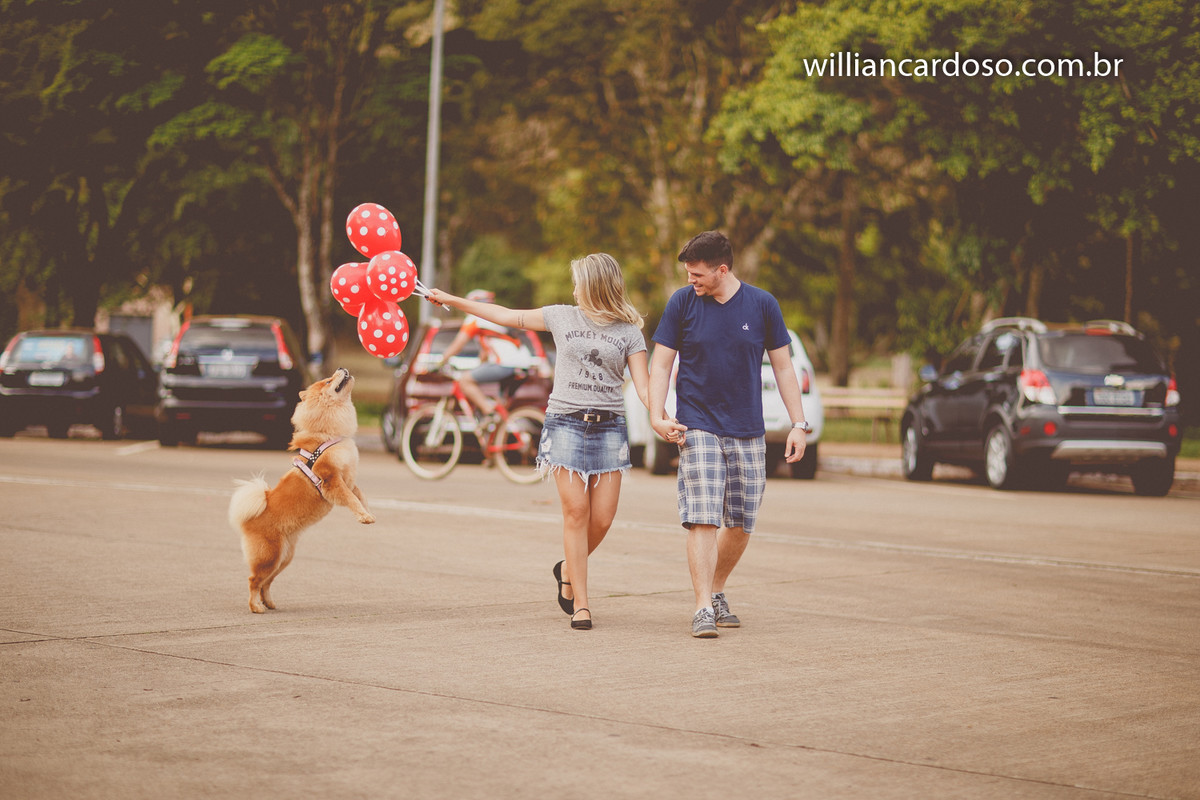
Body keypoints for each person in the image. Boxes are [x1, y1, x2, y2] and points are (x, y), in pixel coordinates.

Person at [427, 254, 650, 631]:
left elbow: (643, 385)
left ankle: (566, 567)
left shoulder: (629, 330)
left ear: (595, 285)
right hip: (565, 422)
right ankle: (582, 602)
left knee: (603, 519)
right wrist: (451, 299)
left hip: (609, 427)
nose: (574, 289)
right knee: (576, 513)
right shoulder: (562, 315)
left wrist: (659, 416)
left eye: (579, 282)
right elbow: (504, 314)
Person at [648, 231, 810, 639]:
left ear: (723, 269)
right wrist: (657, 414)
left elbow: (785, 368)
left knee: (739, 522)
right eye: (688, 273)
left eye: (699, 274)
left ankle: (716, 589)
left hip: (747, 429)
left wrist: (798, 424)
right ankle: (702, 606)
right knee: (702, 515)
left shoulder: (762, 305)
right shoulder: (682, 303)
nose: (691, 280)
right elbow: (661, 365)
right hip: (696, 423)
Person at [432, 289, 536, 421]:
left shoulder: (475, 319)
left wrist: (440, 362)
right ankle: (498, 430)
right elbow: (485, 353)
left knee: (464, 381)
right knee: (500, 406)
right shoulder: (492, 319)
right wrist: (477, 368)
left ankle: (488, 412)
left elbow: (457, 345)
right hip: (522, 364)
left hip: (506, 363)